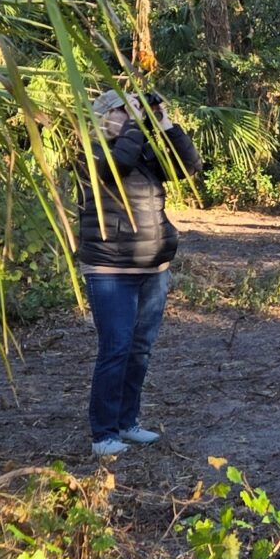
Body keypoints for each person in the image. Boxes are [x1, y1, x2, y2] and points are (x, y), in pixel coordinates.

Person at [75, 89, 201, 460]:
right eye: (121, 111)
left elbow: (186, 166)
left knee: (140, 348)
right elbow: (121, 163)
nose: (130, 117)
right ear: (102, 117)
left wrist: (163, 121)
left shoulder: (144, 147)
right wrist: (135, 122)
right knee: (115, 348)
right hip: (109, 267)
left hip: (153, 266)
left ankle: (128, 422)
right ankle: (104, 432)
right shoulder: (90, 152)